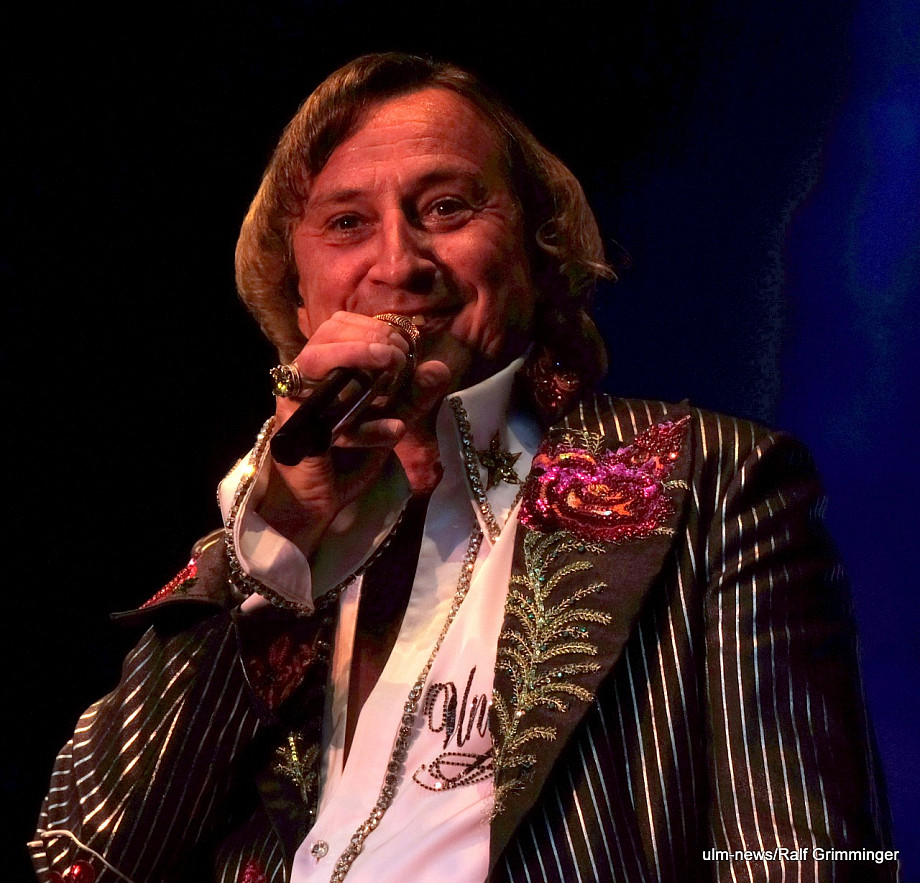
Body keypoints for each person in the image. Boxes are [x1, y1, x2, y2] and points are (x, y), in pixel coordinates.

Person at [31, 53, 896, 882]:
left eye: (445, 208)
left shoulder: (712, 480)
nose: (399, 264)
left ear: (538, 248)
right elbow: (88, 859)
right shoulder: (259, 541)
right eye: (346, 223)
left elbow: (805, 856)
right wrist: (282, 539)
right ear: (297, 288)